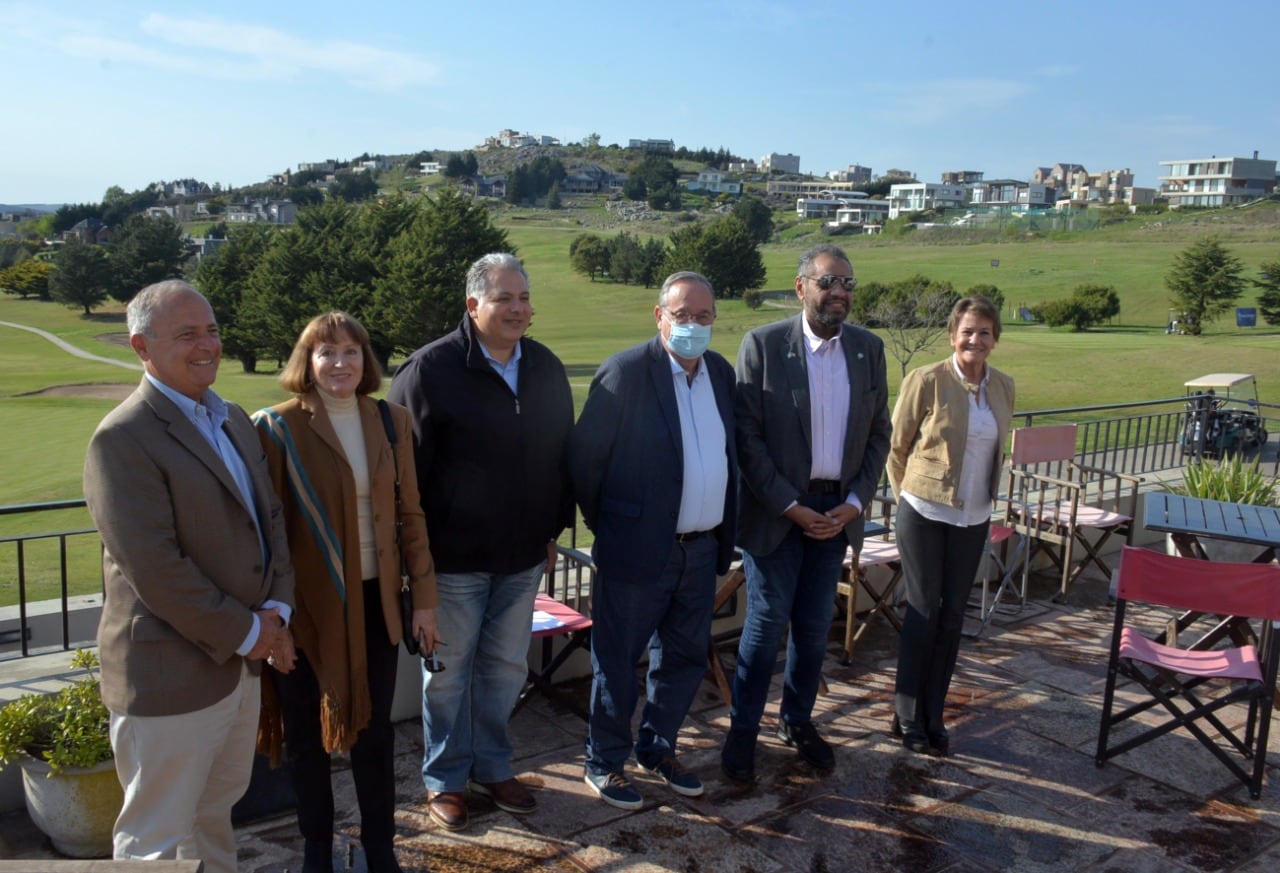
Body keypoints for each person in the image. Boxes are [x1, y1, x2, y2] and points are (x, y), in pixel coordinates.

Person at [82, 280, 296, 873]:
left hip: (239, 667)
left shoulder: (229, 417)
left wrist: (278, 610)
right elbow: (157, 570)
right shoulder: (121, 439)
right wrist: (255, 633)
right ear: (141, 347)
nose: (207, 346)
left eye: (212, 330)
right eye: (186, 335)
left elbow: (269, 520)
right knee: (153, 839)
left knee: (214, 817)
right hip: (169, 677)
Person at [387, 252, 574, 832]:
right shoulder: (428, 371)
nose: (518, 309)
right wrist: (416, 569)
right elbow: (402, 480)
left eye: (524, 298)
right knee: (446, 677)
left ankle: (494, 767)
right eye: (504, 299)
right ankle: (445, 779)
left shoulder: (543, 366)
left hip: (521, 558)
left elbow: (558, 455)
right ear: (473, 305)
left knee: (503, 670)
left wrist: (552, 529)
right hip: (452, 564)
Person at [252, 312, 440, 873]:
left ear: (367, 360)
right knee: (308, 736)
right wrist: (273, 621)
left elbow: (411, 515)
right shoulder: (276, 426)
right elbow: (267, 530)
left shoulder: (390, 420)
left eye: (351, 352)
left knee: (373, 734)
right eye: (326, 352)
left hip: (377, 604)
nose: (340, 363)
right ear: (305, 362)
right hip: (307, 610)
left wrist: (424, 600)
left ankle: (380, 846)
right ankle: (317, 847)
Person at [723, 243, 891, 783]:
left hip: (837, 512)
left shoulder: (868, 349)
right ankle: (743, 730)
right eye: (828, 282)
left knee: (816, 627)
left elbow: (878, 435)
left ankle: (796, 721)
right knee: (767, 624)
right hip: (779, 514)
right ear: (801, 287)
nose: (839, 292)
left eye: (847, 283)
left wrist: (853, 504)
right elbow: (746, 440)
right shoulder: (764, 345)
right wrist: (792, 508)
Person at [571, 272, 738, 809]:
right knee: (618, 662)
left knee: (685, 657)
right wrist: (616, 528)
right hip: (638, 550)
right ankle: (605, 761)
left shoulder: (719, 373)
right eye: (683, 315)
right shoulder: (625, 373)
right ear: (659, 315)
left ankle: (659, 745)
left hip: (703, 547)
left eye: (704, 317)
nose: (693, 326)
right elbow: (585, 464)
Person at [886, 296, 1014, 756]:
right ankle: (905, 715)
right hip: (923, 512)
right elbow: (896, 448)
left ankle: (933, 713)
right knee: (923, 611)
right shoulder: (927, 380)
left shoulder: (1003, 386)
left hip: (974, 515)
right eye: (967, 331)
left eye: (984, 332)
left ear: (995, 338)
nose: (974, 340)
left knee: (954, 615)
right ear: (952, 335)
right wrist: (907, 502)